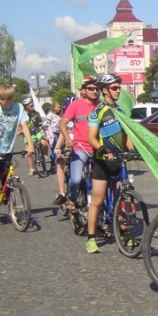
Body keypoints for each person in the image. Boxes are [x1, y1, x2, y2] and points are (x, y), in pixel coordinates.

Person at [85, 73, 134, 254]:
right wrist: (103, 150)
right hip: (102, 162)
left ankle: (124, 233)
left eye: (119, 87)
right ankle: (91, 238)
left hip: (119, 161)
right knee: (97, 201)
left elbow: (127, 136)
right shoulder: (98, 111)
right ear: (105, 90)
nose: (118, 90)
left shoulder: (120, 112)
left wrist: (131, 149)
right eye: (114, 88)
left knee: (123, 197)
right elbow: (91, 137)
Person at [0, 84, 34, 229]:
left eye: (2, 99)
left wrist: (30, 144)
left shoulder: (18, 108)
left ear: (10, 99)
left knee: (7, 180)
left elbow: (25, 126)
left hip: (6, 149)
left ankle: (12, 208)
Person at [57, 76, 100, 214]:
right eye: (91, 88)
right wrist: (68, 139)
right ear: (83, 91)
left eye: (97, 89)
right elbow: (62, 123)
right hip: (80, 148)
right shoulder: (76, 105)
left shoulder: (100, 106)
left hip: (98, 148)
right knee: (75, 179)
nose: (94, 91)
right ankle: (72, 198)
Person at [21, 97, 50, 177]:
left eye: (33, 104)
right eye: (31, 105)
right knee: (29, 153)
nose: (33, 106)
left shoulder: (36, 113)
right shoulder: (23, 115)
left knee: (44, 143)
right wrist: (20, 131)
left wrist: (42, 130)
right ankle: (31, 169)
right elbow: (20, 126)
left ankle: (45, 155)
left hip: (37, 132)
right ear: (26, 106)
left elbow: (41, 123)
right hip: (28, 134)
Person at [46, 102, 66, 204]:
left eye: (60, 107)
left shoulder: (61, 115)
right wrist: (47, 133)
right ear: (54, 107)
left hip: (61, 132)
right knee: (56, 150)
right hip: (54, 133)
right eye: (58, 107)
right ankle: (53, 163)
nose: (59, 108)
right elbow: (47, 124)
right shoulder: (50, 115)